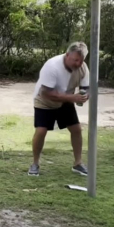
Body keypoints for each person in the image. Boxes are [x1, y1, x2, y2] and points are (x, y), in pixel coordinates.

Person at [29, 42, 90, 177]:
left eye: (81, 60)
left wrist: (85, 94)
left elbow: (86, 87)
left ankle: (78, 163)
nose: (78, 64)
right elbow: (46, 93)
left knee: (76, 129)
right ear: (67, 55)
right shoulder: (52, 66)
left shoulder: (83, 68)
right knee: (41, 130)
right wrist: (73, 98)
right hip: (45, 100)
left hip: (66, 100)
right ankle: (35, 164)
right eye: (75, 60)